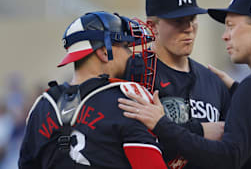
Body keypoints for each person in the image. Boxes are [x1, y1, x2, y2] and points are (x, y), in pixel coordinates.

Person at [118, 0, 251, 169]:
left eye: (231, 26)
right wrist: (238, 91)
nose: (225, 36)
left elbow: (228, 157)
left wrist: (162, 125)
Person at [18, 11, 168, 169]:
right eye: (125, 46)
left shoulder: (41, 106)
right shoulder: (129, 100)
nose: (130, 54)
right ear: (104, 52)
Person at [124, 0, 232, 169]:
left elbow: (230, 151)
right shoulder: (134, 71)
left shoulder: (213, 81)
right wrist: (199, 131)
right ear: (152, 26)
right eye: (178, 21)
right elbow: (127, 140)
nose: (188, 28)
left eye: (192, 19)